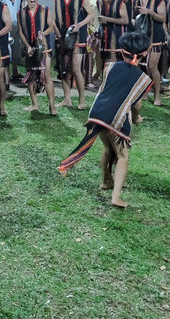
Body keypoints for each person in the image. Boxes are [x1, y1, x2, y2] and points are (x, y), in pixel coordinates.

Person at [57, 31, 152, 208]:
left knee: (108, 147)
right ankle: (116, 197)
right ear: (145, 53)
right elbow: (136, 105)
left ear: (122, 51)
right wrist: (137, 117)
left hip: (97, 113)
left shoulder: (109, 66)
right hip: (116, 118)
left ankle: (106, 181)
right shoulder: (143, 78)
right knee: (123, 156)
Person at [53, 0, 97, 110]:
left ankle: (82, 99)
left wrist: (79, 25)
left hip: (78, 37)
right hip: (63, 37)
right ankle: (67, 99)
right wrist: (56, 33)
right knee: (64, 68)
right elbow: (53, 19)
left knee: (77, 68)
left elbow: (91, 15)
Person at [126, 0, 167, 106]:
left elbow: (163, 18)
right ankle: (143, 93)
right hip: (141, 37)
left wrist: (150, 12)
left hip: (155, 36)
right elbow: (128, 9)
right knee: (140, 66)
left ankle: (157, 95)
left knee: (152, 66)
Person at [17, 0, 56, 115]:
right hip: (29, 49)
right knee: (31, 76)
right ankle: (35, 104)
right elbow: (21, 31)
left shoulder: (46, 10)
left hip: (44, 48)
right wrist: (27, 46)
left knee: (46, 76)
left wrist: (43, 34)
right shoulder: (20, 12)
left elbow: (51, 27)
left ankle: (52, 105)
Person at [97, 0, 129, 65]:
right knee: (105, 65)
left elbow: (125, 20)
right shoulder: (100, 2)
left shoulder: (119, 1)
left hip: (117, 39)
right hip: (104, 40)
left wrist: (107, 19)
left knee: (115, 66)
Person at [2, 0, 23, 83]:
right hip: (6, 27)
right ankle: (6, 74)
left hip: (16, 28)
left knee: (16, 49)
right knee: (6, 50)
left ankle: (15, 71)